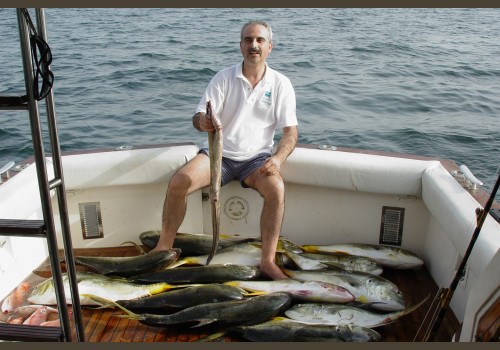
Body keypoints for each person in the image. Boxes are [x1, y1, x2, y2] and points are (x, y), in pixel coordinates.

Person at [151, 20, 298, 280]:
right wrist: (203, 122)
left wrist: (278, 158)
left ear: (270, 47)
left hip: (257, 159)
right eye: (248, 40)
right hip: (219, 155)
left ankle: (267, 261)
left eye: (260, 40)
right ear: (241, 45)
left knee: (276, 189)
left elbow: (290, 133)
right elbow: (198, 116)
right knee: (178, 182)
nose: (254, 45)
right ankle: (163, 249)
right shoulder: (224, 77)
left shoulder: (281, 84)